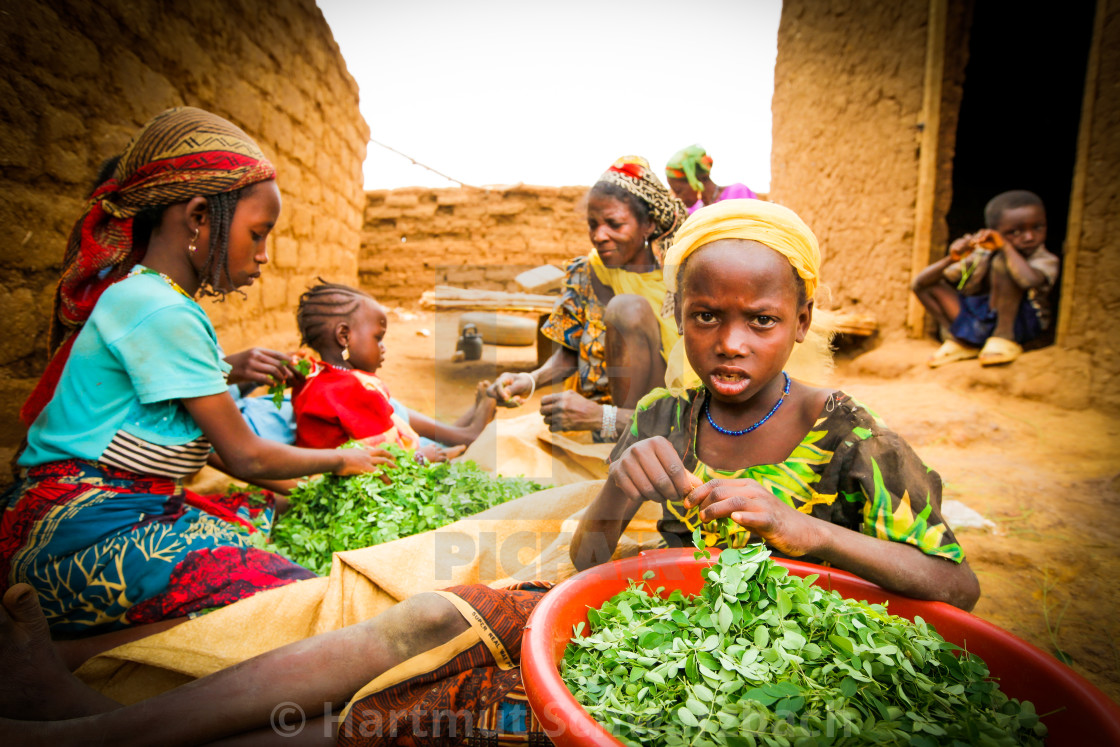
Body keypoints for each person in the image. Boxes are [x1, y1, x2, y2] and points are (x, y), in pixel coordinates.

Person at [0, 198, 979, 746]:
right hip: (654, 626)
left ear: (800, 323)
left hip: (776, 674)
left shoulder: (851, 435)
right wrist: (613, 500)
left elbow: (954, 583)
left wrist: (804, 529)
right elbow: (591, 559)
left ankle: (96, 732)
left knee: (427, 721)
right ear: (681, 316)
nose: (729, 344)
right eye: (705, 318)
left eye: (760, 322)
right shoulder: (663, 416)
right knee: (432, 616)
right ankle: (101, 725)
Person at [0, 107, 394, 639]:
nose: (264, 256)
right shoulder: (163, 310)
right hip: (78, 531)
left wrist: (311, 488)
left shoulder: (150, 297)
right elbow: (243, 453)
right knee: (301, 605)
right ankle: (65, 665)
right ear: (199, 216)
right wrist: (346, 460)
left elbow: (210, 446)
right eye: (257, 234)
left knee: (266, 512)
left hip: (93, 510)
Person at [487, 155, 688, 442]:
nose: (599, 235)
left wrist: (606, 418)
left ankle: (630, 443)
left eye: (614, 224)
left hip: (657, 422)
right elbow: (570, 350)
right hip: (585, 417)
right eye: (592, 224)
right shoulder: (586, 272)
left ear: (648, 225)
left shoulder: (678, 281)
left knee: (626, 308)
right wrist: (530, 380)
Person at [292, 281, 495, 461]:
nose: (383, 347)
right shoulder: (352, 390)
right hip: (353, 485)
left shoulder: (312, 377)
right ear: (344, 336)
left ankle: (459, 433)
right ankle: (463, 438)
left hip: (323, 474)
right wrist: (421, 458)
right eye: (377, 338)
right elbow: (386, 457)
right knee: (437, 458)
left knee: (400, 417)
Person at [912, 190, 1059, 367]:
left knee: (1002, 263)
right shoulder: (981, 254)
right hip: (982, 320)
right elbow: (921, 283)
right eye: (1015, 231)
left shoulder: (1045, 259)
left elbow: (1028, 281)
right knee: (928, 285)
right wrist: (952, 258)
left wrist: (1005, 247)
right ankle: (962, 341)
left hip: (1023, 323)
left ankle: (1004, 337)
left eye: (1037, 227)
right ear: (993, 232)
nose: (1029, 237)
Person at [665, 144, 758, 214]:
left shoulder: (737, 193)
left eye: (678, 191)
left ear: (696, 181)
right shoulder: (693, 212)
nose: (676, 197)